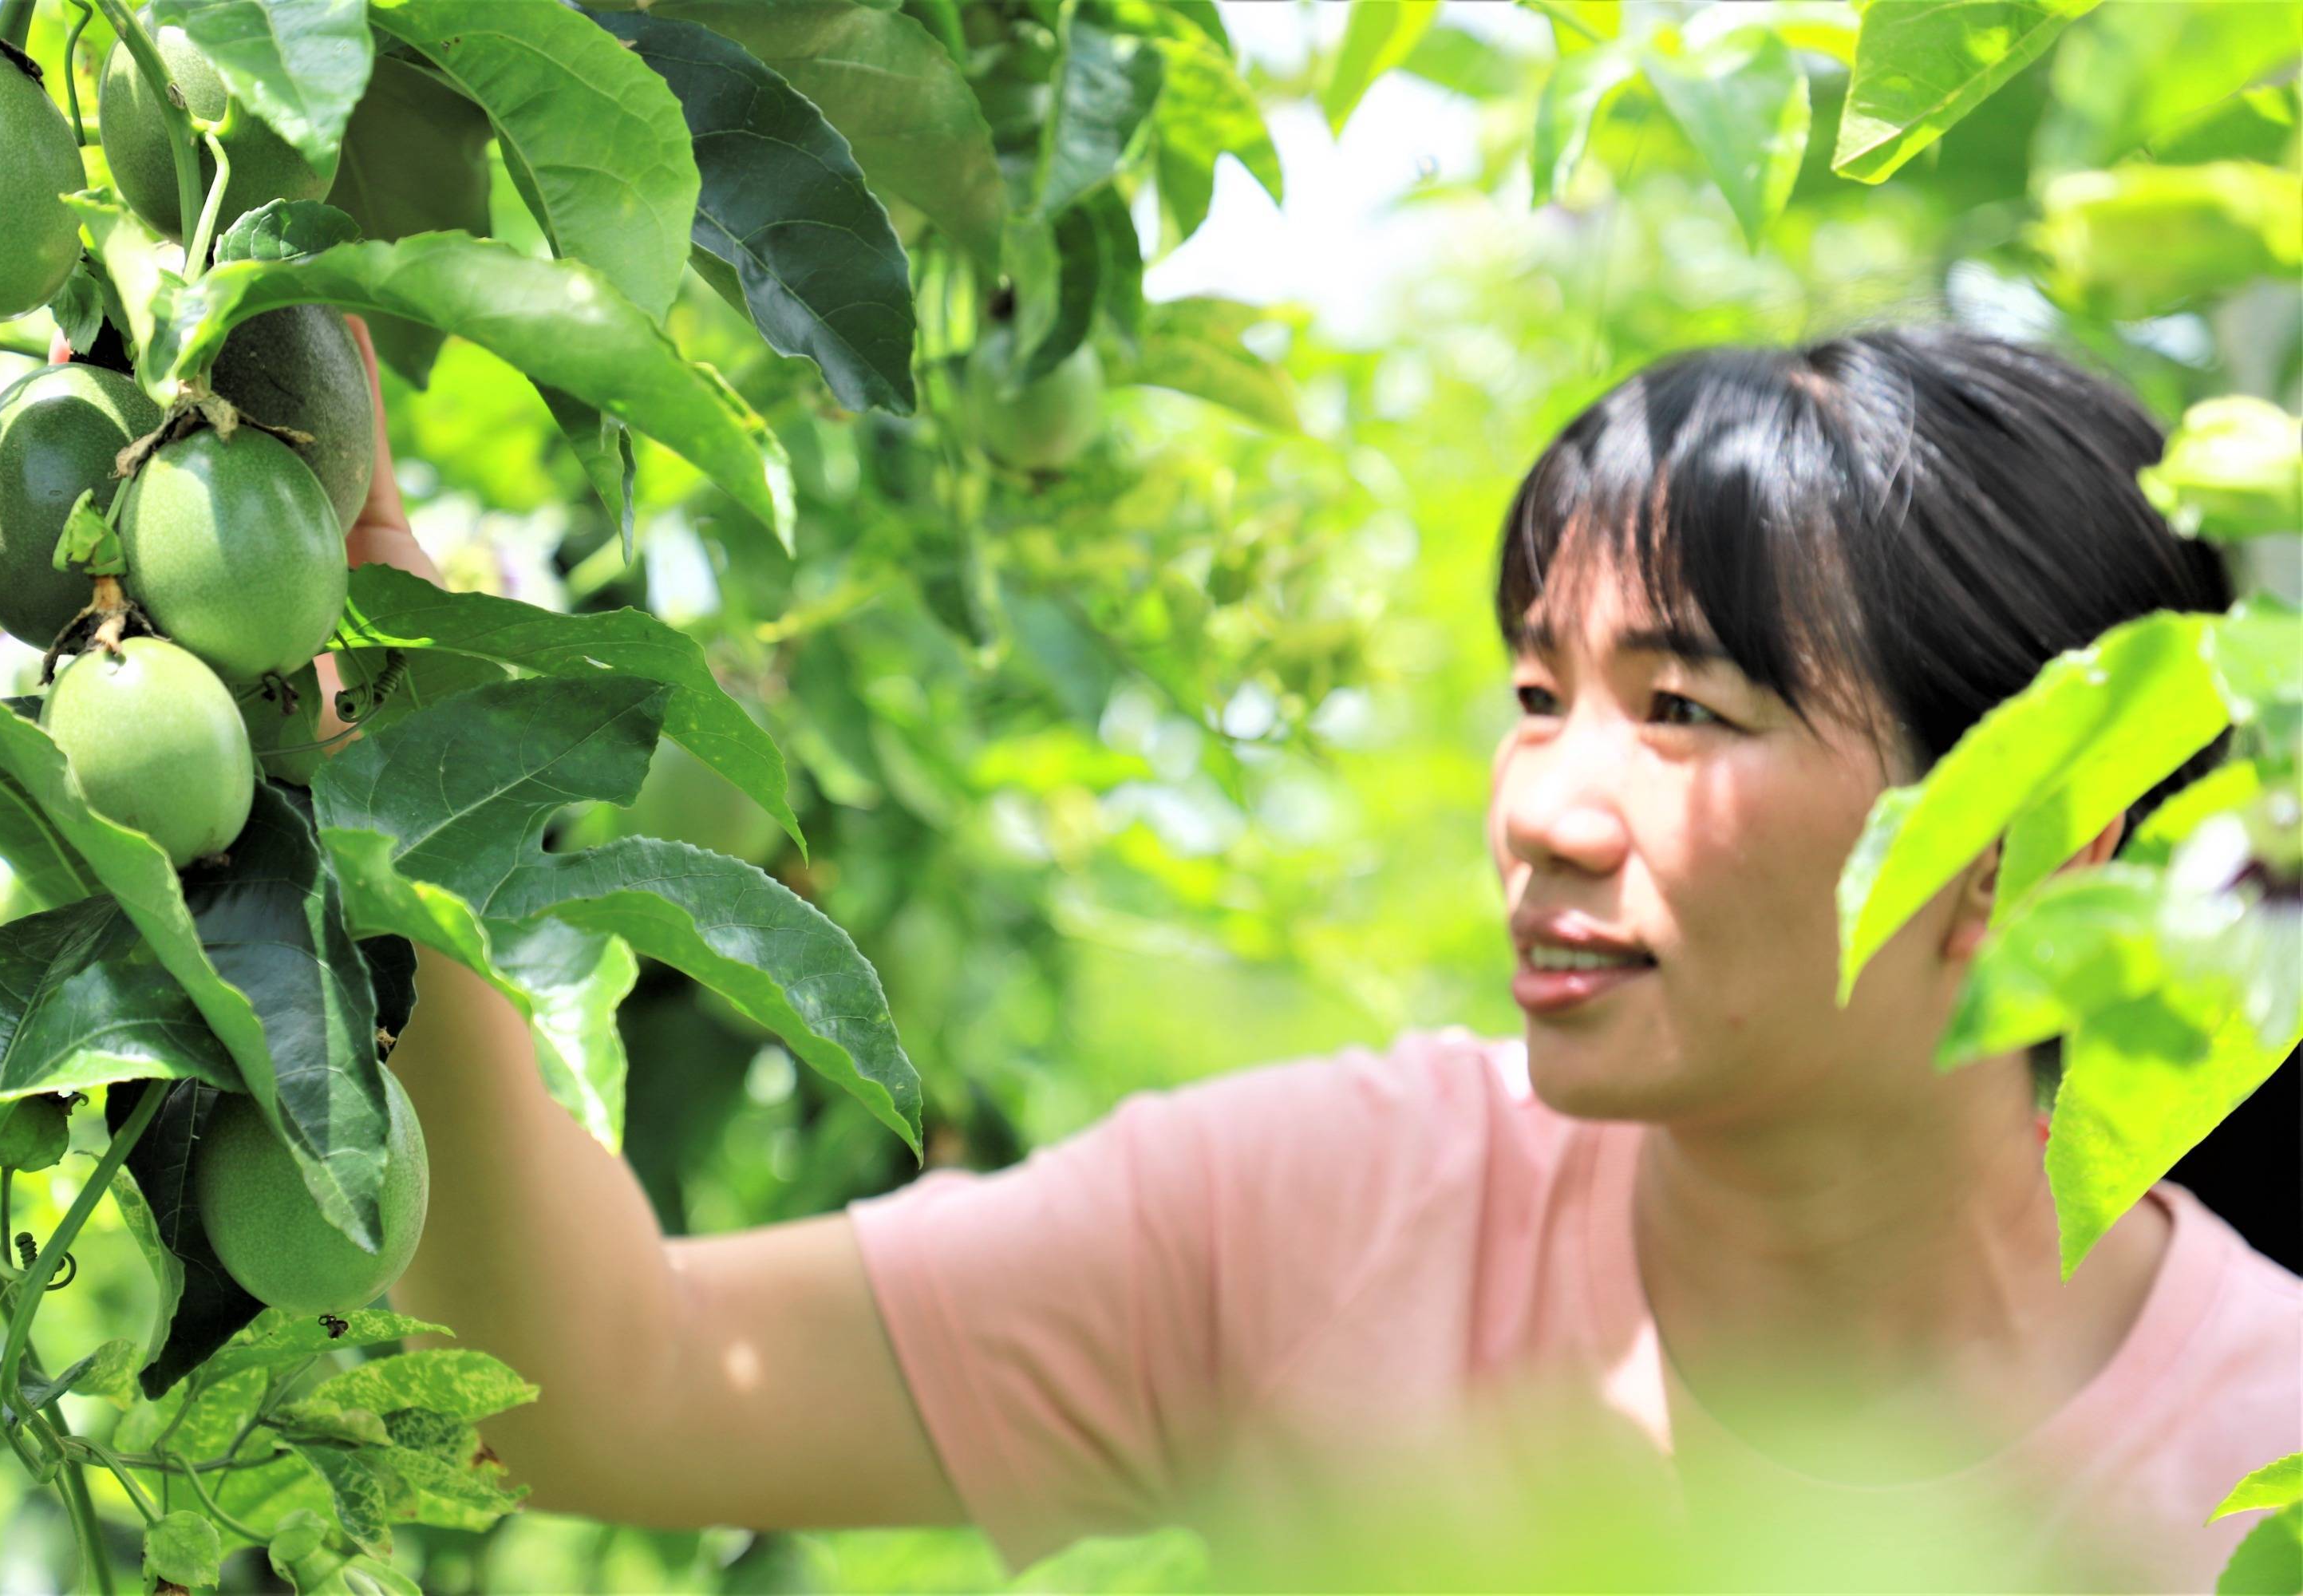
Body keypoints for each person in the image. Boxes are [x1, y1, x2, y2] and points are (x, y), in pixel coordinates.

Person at [326, 318, 2298, 1592]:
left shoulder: (2257, 1468)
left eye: (1683, 709)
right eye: (1540, 695)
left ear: (2034, 841)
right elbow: (600, 1381)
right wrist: (386, 750)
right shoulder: (1343, 1214)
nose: (1545, 807)